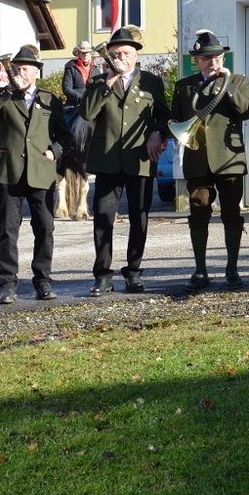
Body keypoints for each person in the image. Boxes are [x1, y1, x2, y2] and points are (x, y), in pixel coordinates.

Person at [0, 45, 72, 304]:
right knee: (8, 230)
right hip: (9, 171)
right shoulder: (1, 95)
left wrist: (55, 151)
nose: (21, 72)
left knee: (45, 227)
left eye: (26, 69)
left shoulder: (50, 99)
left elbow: (65, 136)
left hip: (41, 170)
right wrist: (8, 90)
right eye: (17, 68)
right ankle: (7, 283)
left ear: (36, 72)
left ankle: (43, 280)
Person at [81, 26, 170, 296]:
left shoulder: (151, 82)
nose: (121, 58)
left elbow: (164, 117)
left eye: (126, 53)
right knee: (103, 218)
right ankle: (102, 276)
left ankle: (133, 272)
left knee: (139, 217)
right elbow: (87, 113)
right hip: (106, 159)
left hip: (140, 158)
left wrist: (157, 133)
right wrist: (109, 81)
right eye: (116, 53)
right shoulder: (98, 82)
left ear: (135, 56)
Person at [169, 29, 249, 292]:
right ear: (197, 61)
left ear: (223, 58)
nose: (212, 63)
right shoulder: (184, 86)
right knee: (198, 213)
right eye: (206, 59)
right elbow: (175, 119)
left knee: (232, 213)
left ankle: (232, 269)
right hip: (197, 157)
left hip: (229, 158)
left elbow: (246, 111)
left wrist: (228, 86)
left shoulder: (239, 81)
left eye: (217, 58)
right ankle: (200, 270)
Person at [62, 40, 94, 113]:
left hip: (92, 105)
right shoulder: (71, 68)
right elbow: (67, 89)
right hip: (74, 104)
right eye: (83, 53)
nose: (85, 55)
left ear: (90, 54)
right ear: (78, 54)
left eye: (88, 52)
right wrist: (81, 98)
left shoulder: (96, 70)